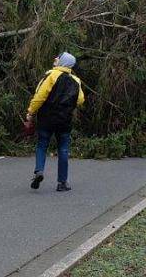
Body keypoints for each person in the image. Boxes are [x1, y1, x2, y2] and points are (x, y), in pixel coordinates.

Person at [25, 52, 84, 192]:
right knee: (63, 149)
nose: (55, 59)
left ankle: (39, 171)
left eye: (58, 57)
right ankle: (62, 183)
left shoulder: (51, 75)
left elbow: (40, 96)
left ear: (63, 61)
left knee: (42, 145)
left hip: (46, 118)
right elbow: (80, 100)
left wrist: (31, 112)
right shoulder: (76, 80)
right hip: (64, 120)